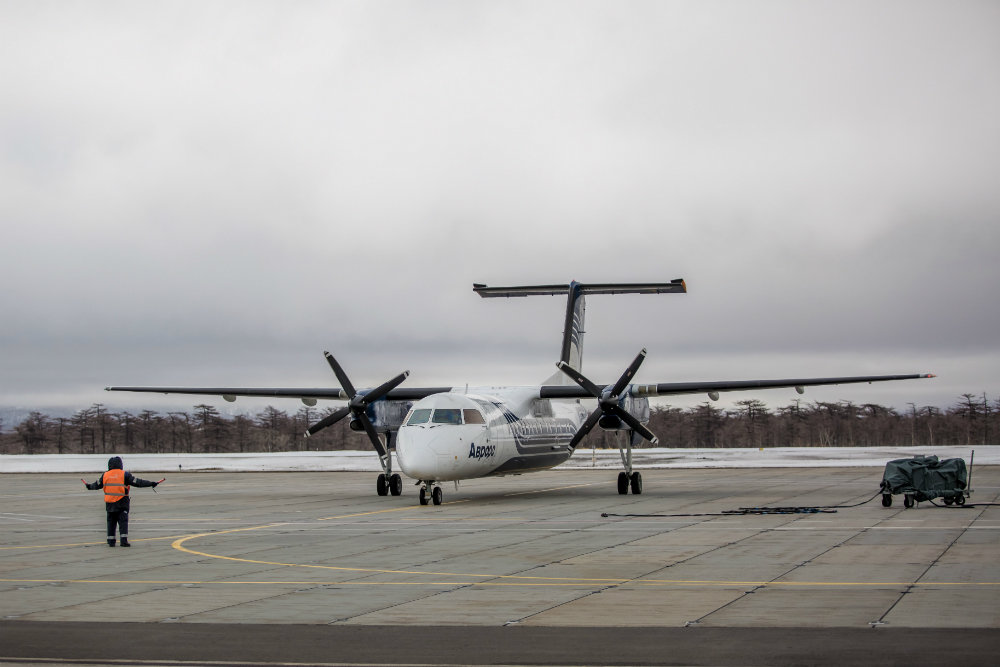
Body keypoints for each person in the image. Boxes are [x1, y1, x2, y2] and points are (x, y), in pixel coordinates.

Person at [82, 456, 160, 547]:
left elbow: (97, 485)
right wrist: (151, 483)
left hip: (109, 503)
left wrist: (89, 486)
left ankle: (111, 541)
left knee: (111, 522)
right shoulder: (125, 474)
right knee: (123, 522)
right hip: (121, 502)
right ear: (120, 464)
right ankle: (123, 541)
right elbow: (138, 482)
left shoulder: (105, 475)